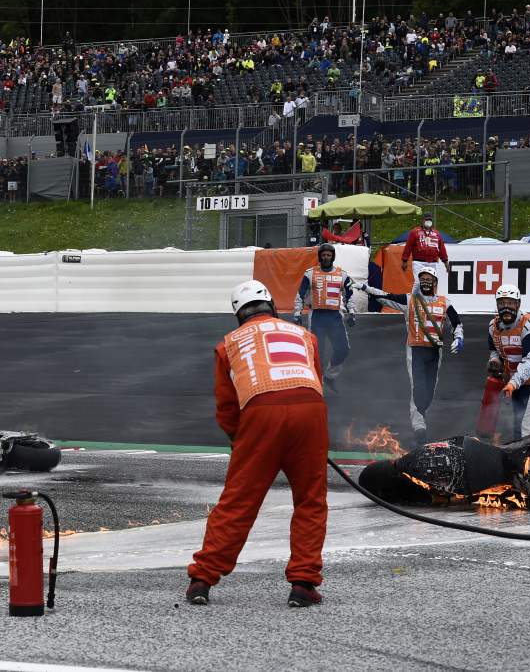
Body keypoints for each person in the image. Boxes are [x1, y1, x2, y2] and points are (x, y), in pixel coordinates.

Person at [187, 280, 329, 609]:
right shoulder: (305, 335)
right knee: (310, 500)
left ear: (238, 314)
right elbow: (316, 381)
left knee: (238, 501)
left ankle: (202, 579)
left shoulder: (229, 344)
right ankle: (303, 584)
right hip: (310, 411)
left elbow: (226, 407)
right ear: (271, 306)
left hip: (260, 413)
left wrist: (242, 443)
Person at [355, 267, 464, 445]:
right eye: (423, 278)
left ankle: (421, 415)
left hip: (435, 352)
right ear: (418, 282)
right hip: (415, 351)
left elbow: (457, 323)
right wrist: (365, 288)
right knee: (417, 388)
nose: (426, 282)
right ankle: (419, 429)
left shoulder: (445, 302)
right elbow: (385, 296)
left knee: (429, 391)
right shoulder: (409, 300)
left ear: (435, 283)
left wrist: (459, 338)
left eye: (430, 279)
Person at [487, 285, 530, 438]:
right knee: (518, 421)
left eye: (510, 303)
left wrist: (512, 384)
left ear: (518, 304)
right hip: (515, 378)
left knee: (528, 428)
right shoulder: (493, 327)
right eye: (502, 303)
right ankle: (522, 459)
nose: (506, 308)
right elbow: (494, 350)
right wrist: (494, 361)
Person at [292, 244, 357, 390]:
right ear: (320, 256)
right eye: (323, 255)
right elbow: (300, 294)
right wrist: (297, 313)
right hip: (316, 317)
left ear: (332, 256)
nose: (326, 257)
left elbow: (350, 295)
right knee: (317, 353)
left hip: (335, 316)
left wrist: (352, 312)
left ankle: (330, 375)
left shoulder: (343, 274)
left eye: (329, 255)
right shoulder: (309, 273)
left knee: (343, 349)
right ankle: (316, 386)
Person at [401, 213, 450, 288]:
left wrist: (446, 262)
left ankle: (431, 299)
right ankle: (415, 298)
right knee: (418, 282)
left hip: (432, 262)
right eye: (426, 219)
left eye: (430, 220)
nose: (428, 221)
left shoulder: (436, 233)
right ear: (422, 220)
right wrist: (404, 260)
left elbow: (441, 248)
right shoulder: (415, 232)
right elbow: (408, 247)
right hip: (418, 262)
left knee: (432, 282)